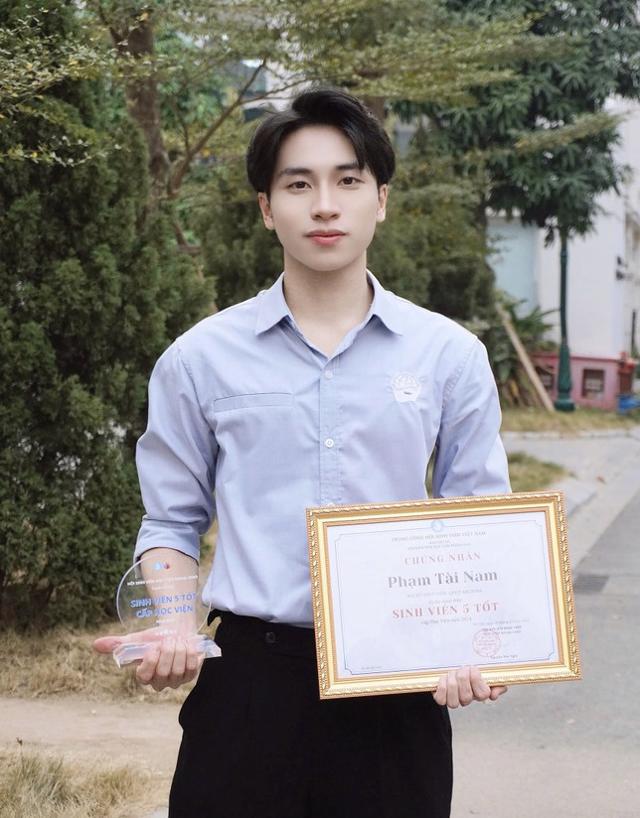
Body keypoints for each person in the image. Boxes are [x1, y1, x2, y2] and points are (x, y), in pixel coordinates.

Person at [94, 86, 510, 818]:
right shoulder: (200, 359)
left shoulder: (449, 355)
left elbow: (479, 517)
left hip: (397, 689)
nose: (325, 206)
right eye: (298, 185)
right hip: (251, 686)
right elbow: (171, 521)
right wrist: (174, 624)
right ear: (266, 208)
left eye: (348, 181)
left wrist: (473, 642)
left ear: (381, 200)